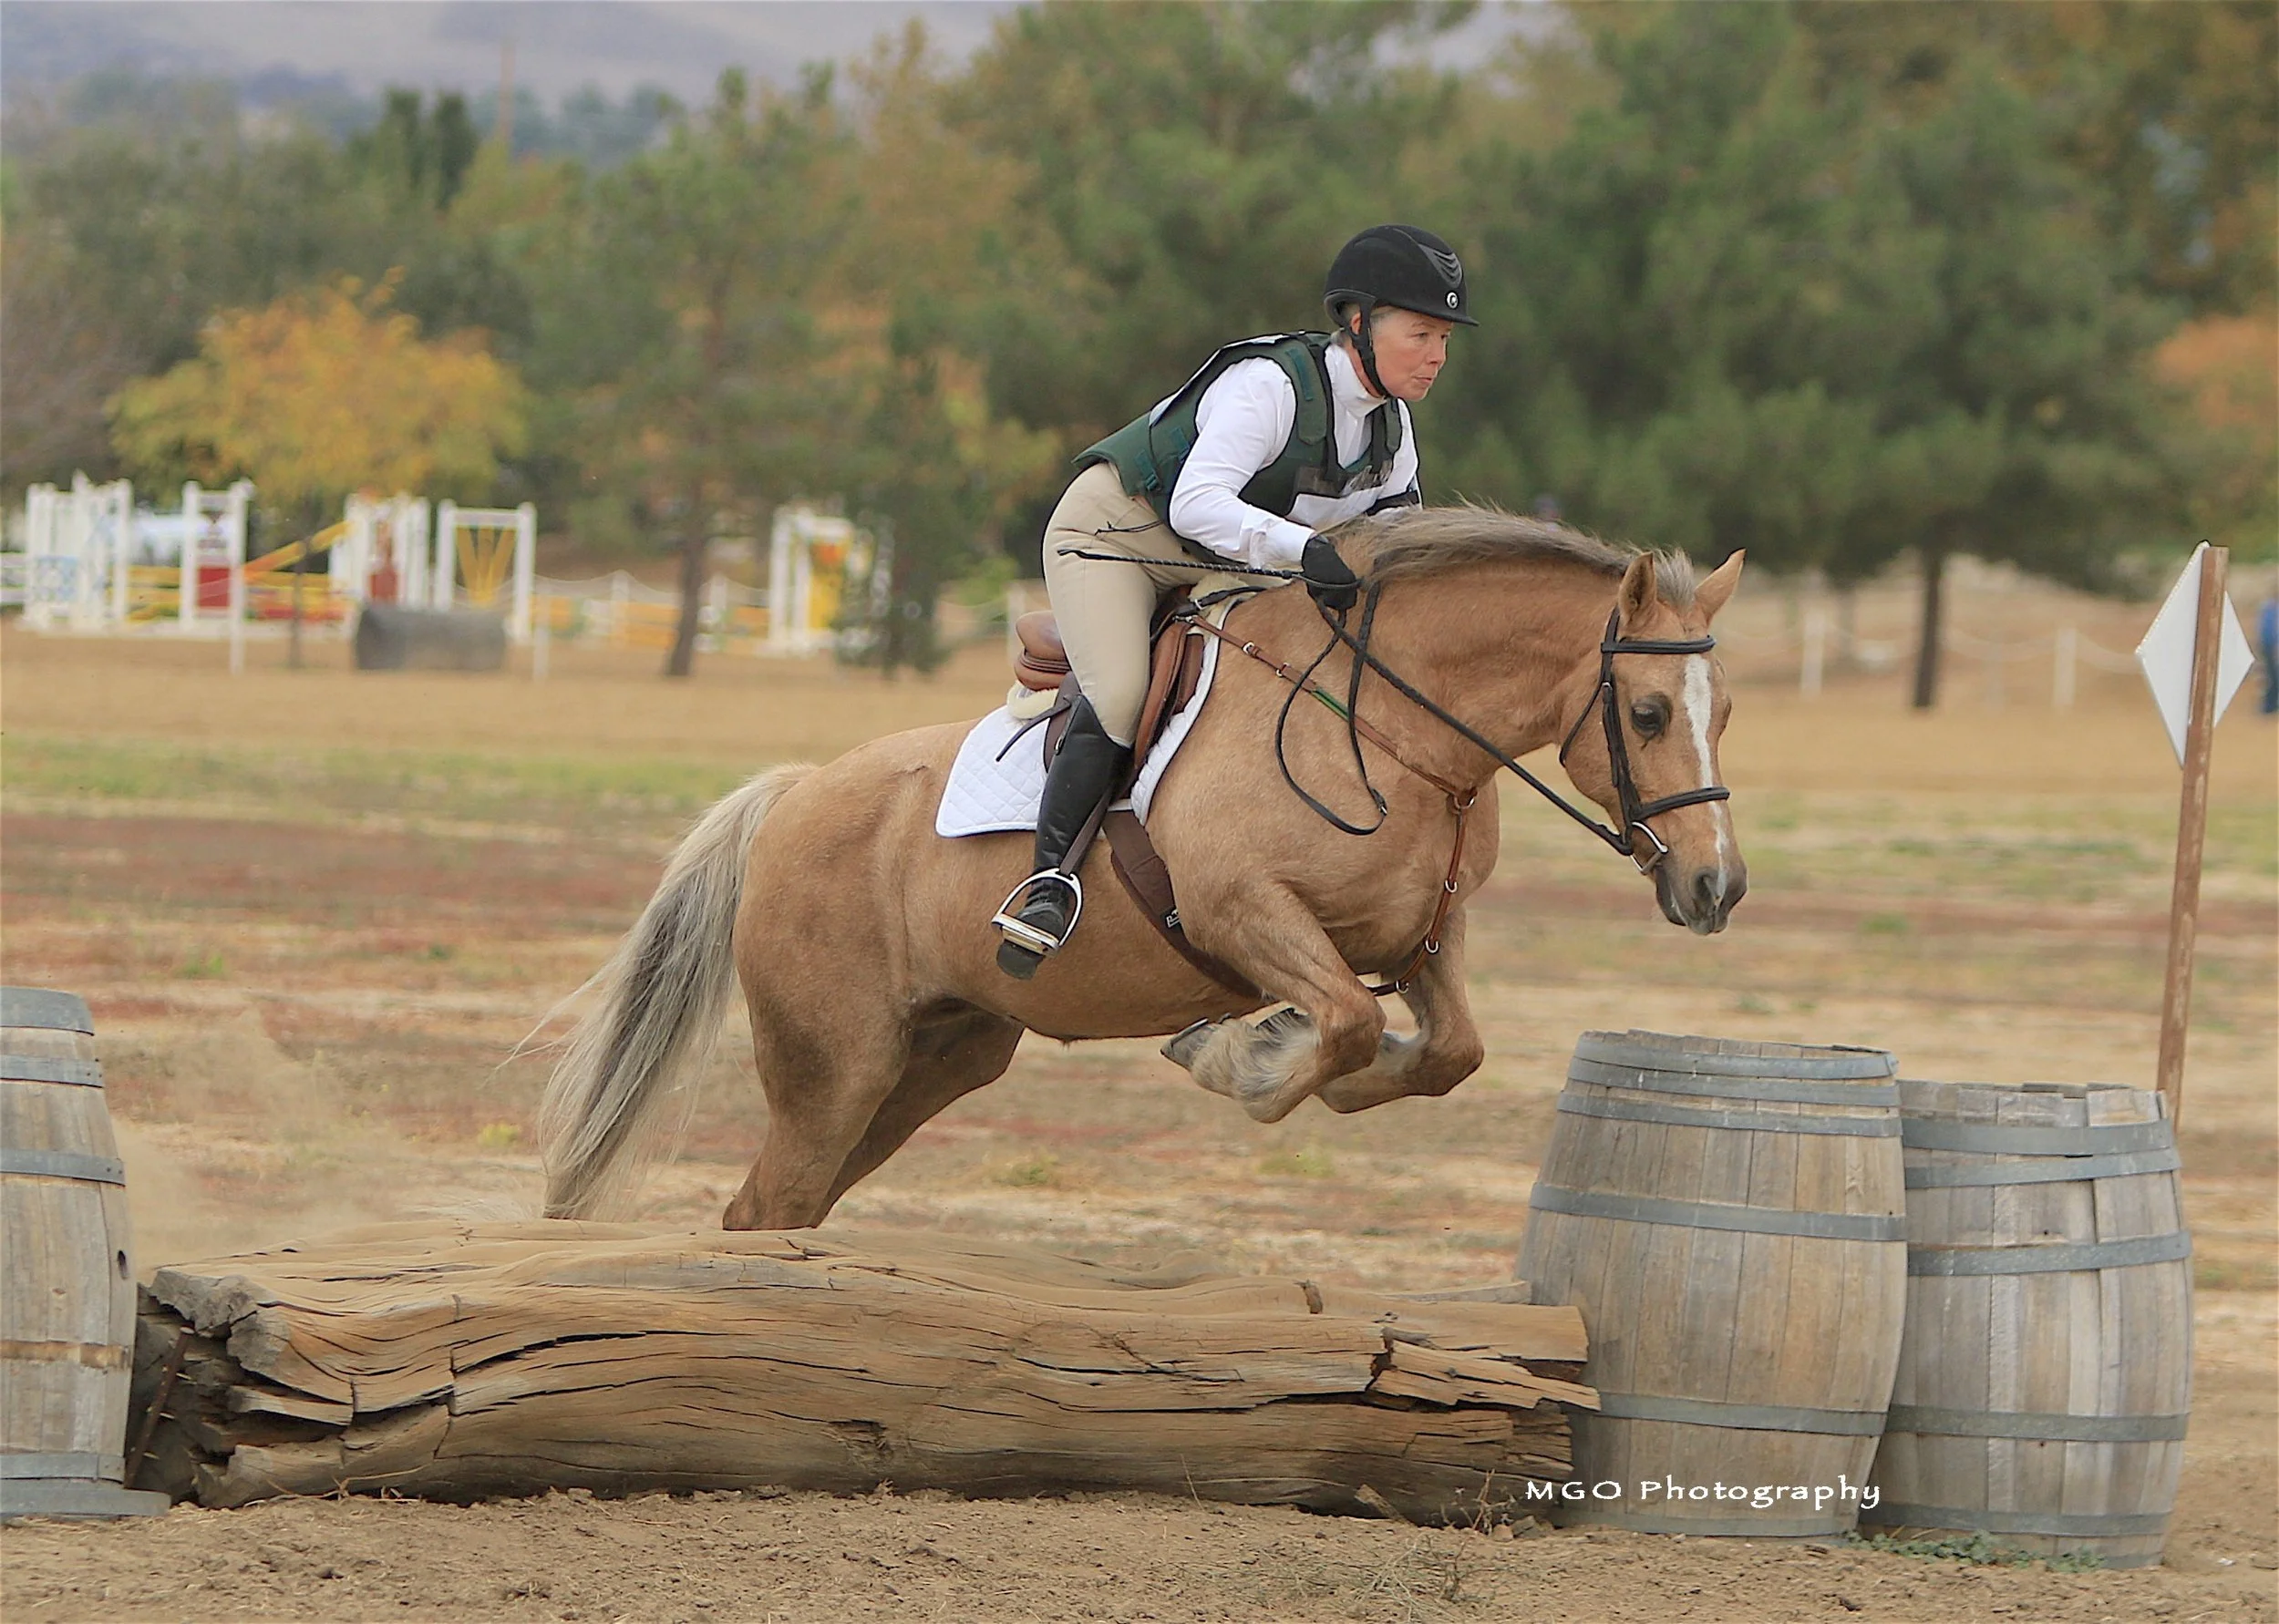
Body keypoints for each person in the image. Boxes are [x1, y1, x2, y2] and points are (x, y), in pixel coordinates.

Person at [991, 224, 1474, 978]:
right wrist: (1308, 551)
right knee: (1122, 694)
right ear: (1358, 323)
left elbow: (1394, 543)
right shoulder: (1272, 386)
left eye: (1444, 337)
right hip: (1117, 537)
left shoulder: (1393, 428)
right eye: (1420, 333)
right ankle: (1046, 882)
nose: (1437, 355)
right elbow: (1197, 506)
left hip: (1224, 560)